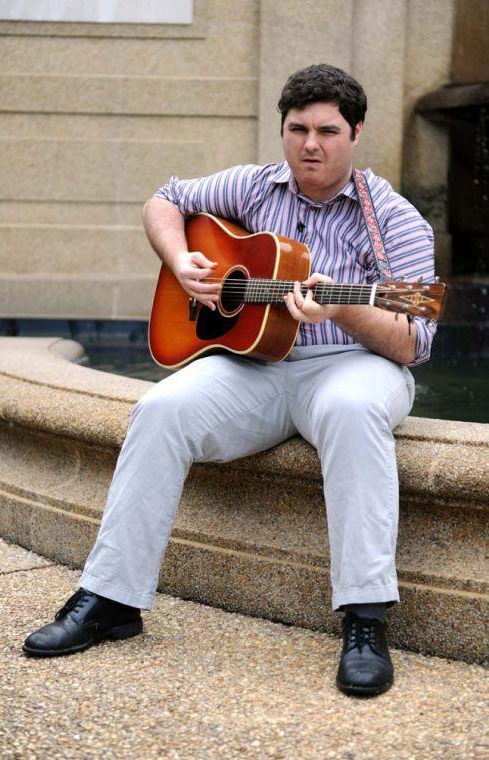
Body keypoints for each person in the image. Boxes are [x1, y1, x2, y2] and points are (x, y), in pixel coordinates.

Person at [23, 64, 436, 697]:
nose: (311, 145)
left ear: (355, 133)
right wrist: (179, 261)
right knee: (161, 409)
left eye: (327, 130)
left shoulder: (397, 219)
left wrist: (344, 308)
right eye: (297, 129)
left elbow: (415, 340)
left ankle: (365, 620)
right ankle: (111, 600)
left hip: (353, 366)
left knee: (354, 411)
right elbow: (164, 199)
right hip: (256, 366)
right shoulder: (252, 187)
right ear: (283, 130)